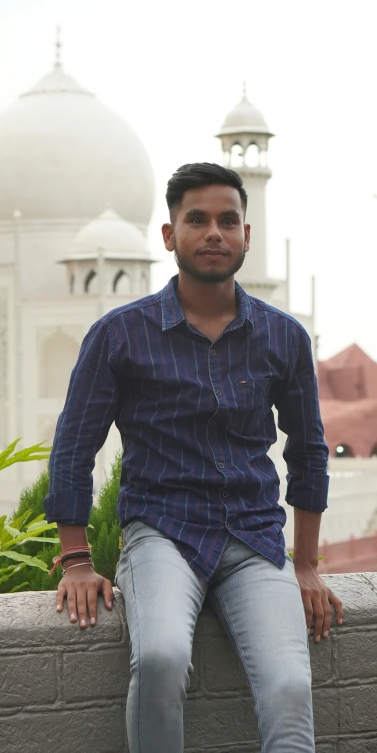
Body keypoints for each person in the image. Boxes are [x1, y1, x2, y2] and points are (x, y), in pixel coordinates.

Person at [44, 163, 343, 752]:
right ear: (168, 234)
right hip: (162, 533)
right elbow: (75, 447)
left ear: (246, 235)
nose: (214, 233)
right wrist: (76, 560)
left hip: (254, 538)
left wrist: (304, 562)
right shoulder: (121, 335)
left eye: (228, 221)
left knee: (288, 686)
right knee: (159, 657)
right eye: (197, 220)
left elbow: (308, 451)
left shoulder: (283, 337)